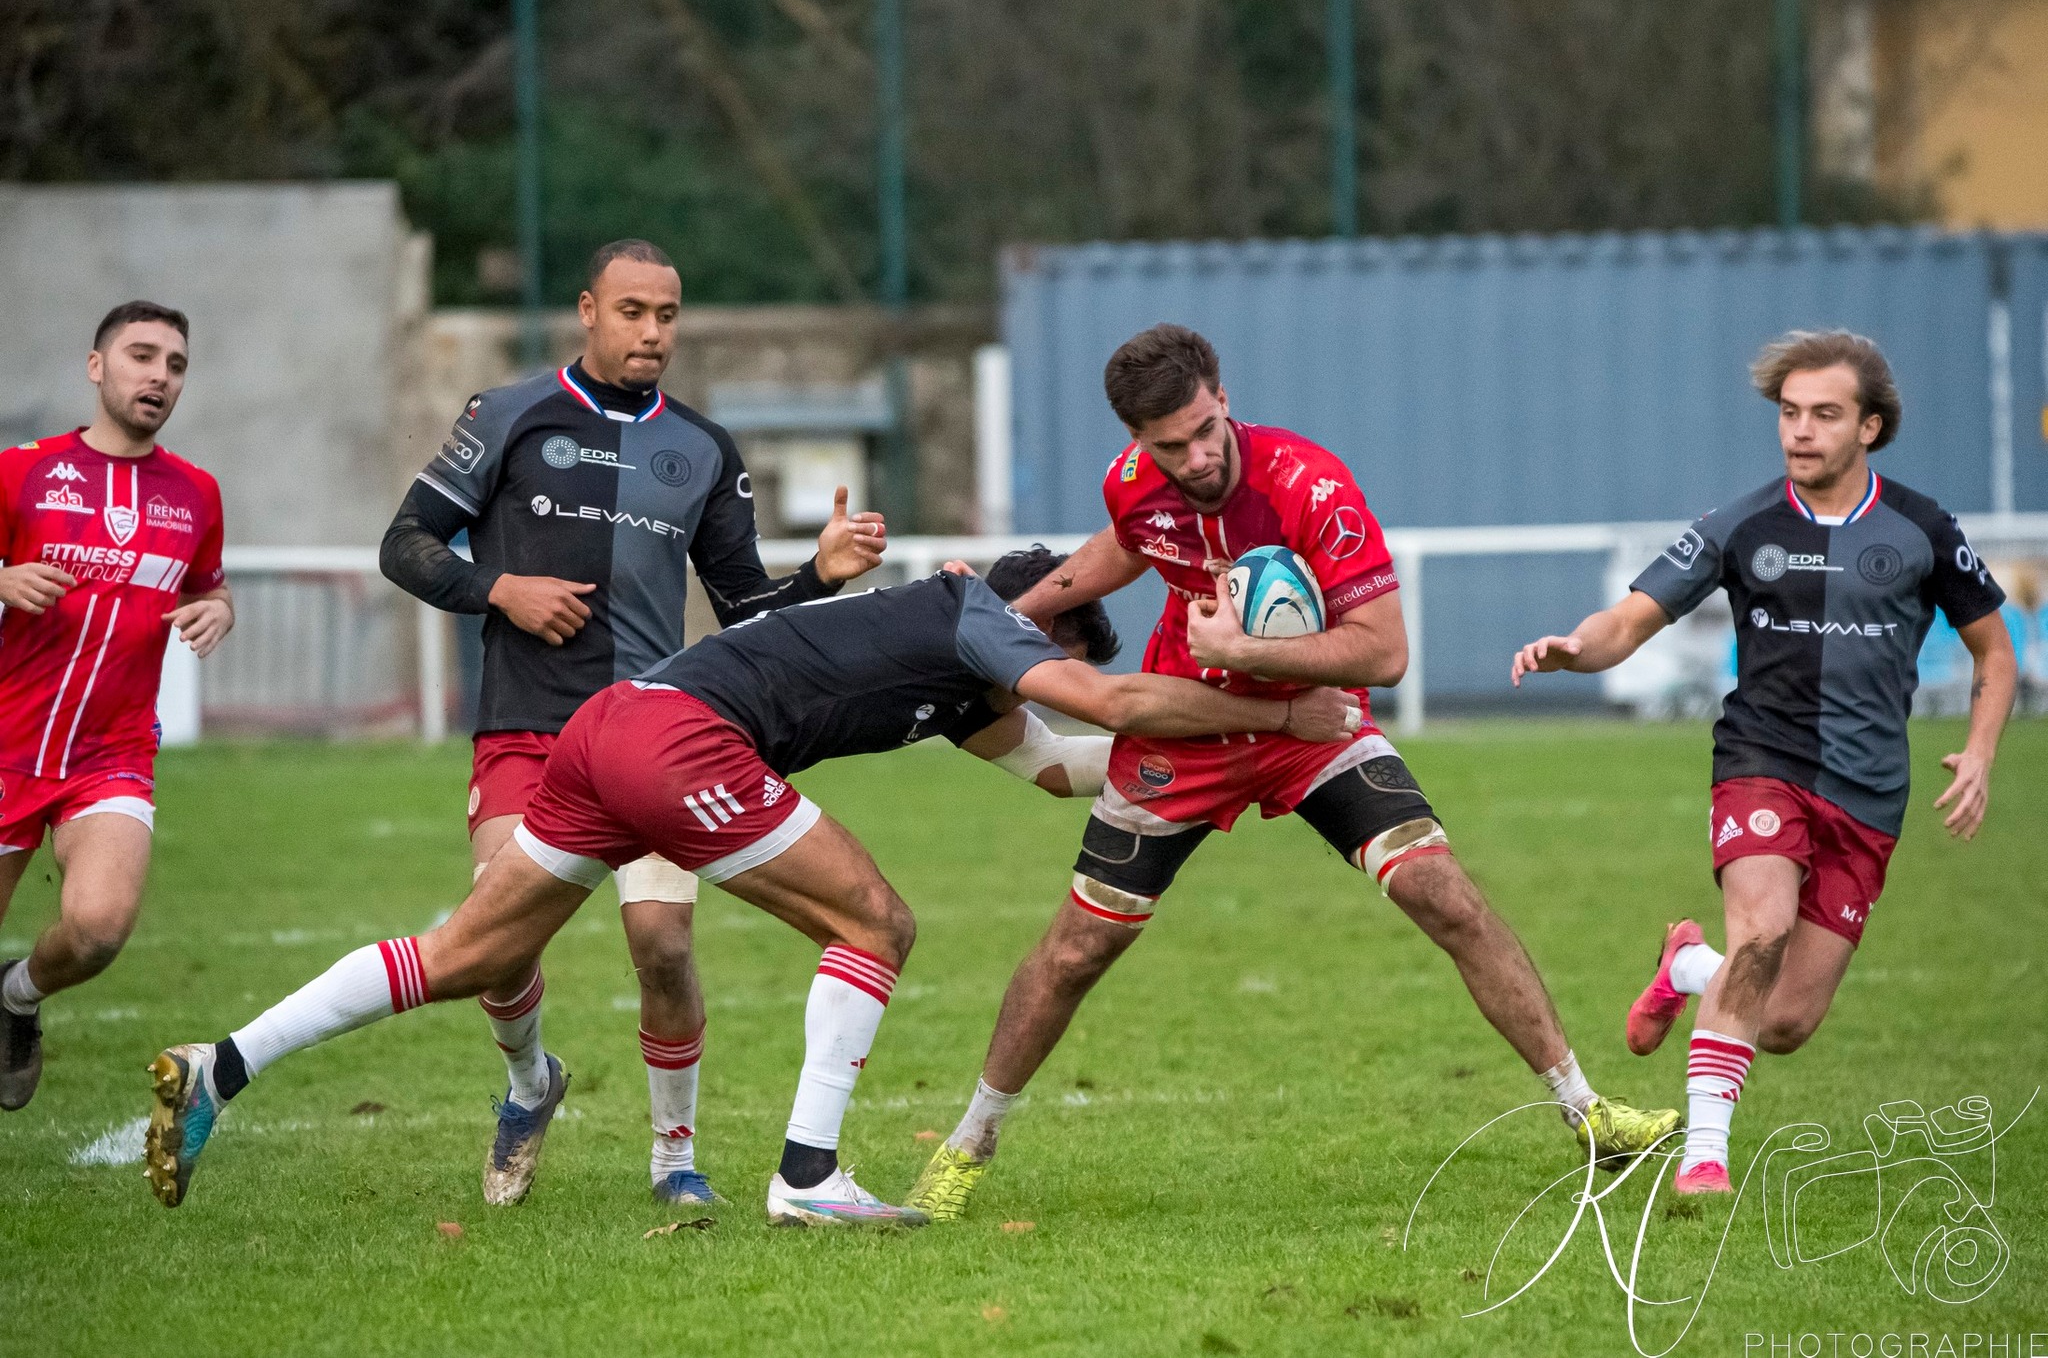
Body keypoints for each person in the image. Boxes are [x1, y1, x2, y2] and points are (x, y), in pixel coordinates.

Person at [141, 559, 1362, 1225]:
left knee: (460, 953)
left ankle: (221, 1066)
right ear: (1038, 629)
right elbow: (1103, 709)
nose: (1035, 682)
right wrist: (1274, 705)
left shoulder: (956, 667)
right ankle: (809, 1175)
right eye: (1042, 665)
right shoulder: (982, 622)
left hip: (608, 731)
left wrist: (1221, 760)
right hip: (681, 743)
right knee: (875, 920)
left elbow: (1063, 767)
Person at [905, 325, 1680, 1222]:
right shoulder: (1133, 485)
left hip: (1313, 724)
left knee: (1445, 895)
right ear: (1135, 443)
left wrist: (1241, 645)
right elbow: (1125, 542)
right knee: (1080, 947)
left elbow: (1385, 652)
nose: (1196, 457)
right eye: (1170, 445)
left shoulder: (1312, 487)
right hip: (1185, 728)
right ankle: (968, 1144)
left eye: (1205, 430)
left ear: (1223, 396)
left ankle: (1588, 1114)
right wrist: (1010, 614)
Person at [380, 238, 886, 1207]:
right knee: (495, 945)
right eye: (632, 312)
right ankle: (532, 1085)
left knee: (661, 942)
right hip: (526, 725)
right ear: (587, 309)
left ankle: (673, 1161)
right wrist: (502, 590)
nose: (652, 332)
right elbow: (403, 544)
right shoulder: (507, 416)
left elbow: (744, 613)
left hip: (653, 731)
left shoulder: (701, 448)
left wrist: (818, 572)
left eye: (666, 315)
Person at [1511, 329, 2017, 1195]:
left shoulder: (1923, 528)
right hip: (1760, 760)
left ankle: (1684, 967)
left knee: (1783, 1020)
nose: (1801, 431)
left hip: (1869, 791)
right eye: (1790, 413)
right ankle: (1706, 1153)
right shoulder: (1741, 522)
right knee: (1763, 930)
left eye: (1825, 414)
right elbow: (1630, 620)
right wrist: (1575, 648)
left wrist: (1978, 754)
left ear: (1872, 427)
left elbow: (1994, 654)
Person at [0, 301, 233, 1109]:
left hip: (112, 751)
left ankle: (16, 998)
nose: (159, 376)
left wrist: (220, 609)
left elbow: (209, 585)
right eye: (141, 356)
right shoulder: (21, 469)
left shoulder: (196, 492)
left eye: (175, 365)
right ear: (96, 366)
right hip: (7, 740)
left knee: (98, 929)